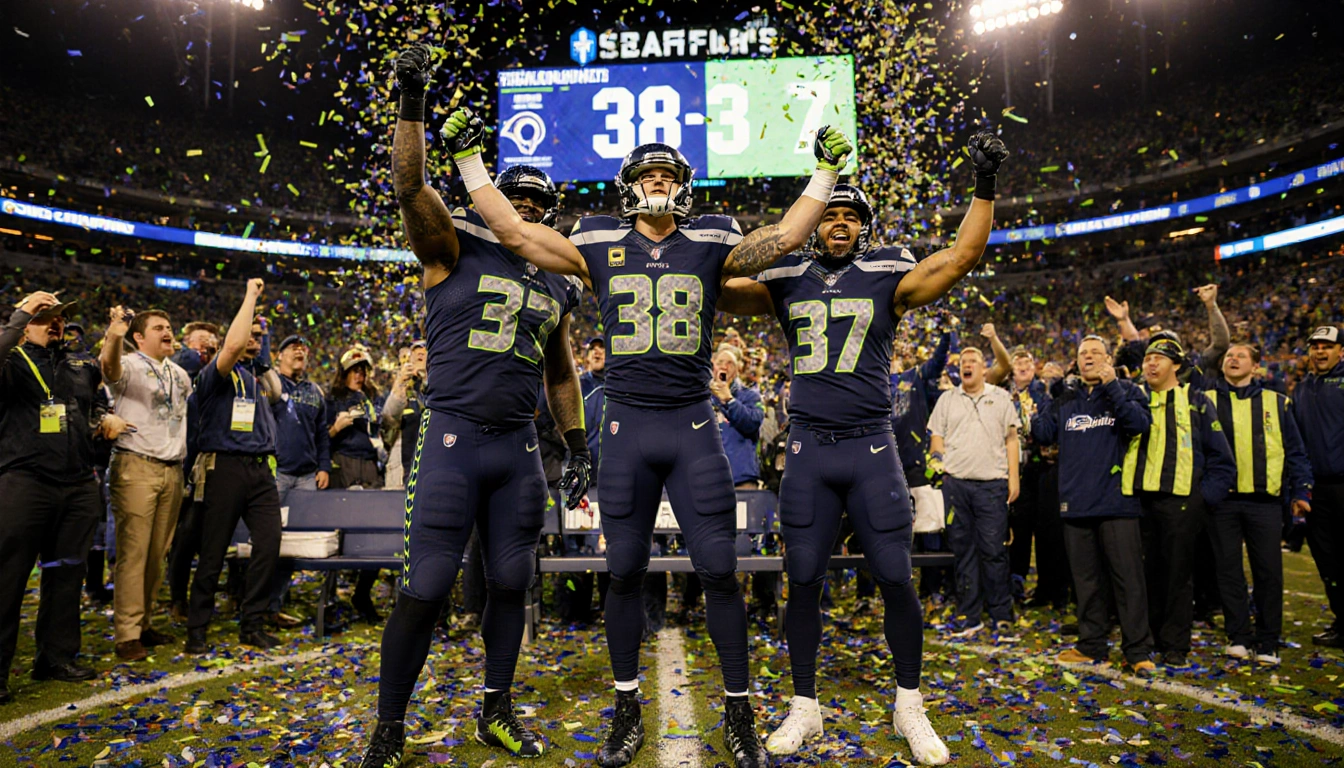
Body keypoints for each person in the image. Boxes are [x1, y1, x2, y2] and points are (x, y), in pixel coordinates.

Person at [443, 95, 854, 767]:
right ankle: (627, 710)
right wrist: (466, 162)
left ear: (684, 187)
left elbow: (782, 238)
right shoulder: (597, 238)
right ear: (630, 186)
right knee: (624, 572)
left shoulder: (714, 237)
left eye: (670, 174)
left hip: (692, 422)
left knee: (720, 571)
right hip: (627, 427)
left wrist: (824, 176)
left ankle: (740, 711)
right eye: (650, 173)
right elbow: (517, 235)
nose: (660, 181)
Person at [718, 131, 1006, 765]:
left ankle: (910, 704)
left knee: (897, 578)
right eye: (831, 214)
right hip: (810, 450)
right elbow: (721, 280)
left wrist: (983, 188)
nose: (840, 224)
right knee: (802, 580)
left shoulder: (888, 271)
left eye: (851, 216)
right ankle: (805, 707)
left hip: (872, 447)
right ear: (815, 221)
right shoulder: (787, 272)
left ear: (865, 228)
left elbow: (960, 257)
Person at [358, 44, 591, 766]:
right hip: (454, 434)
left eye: (533, 207)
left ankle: (496, 708)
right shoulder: (451, 246)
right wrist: (412, 103)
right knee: (426, 583)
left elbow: (560, 373)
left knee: (514, 583)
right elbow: (409, 183)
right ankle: (389, 726)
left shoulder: (557, 286)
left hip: (518, 444)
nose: (522, 214)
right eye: (515, 203)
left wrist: (578, 443)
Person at [0, 292, 108, 703]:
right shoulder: (12, 360)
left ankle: (55, 657)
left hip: (77, 484)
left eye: (60, 318)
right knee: (7, 578)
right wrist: (18, 317)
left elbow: (94, 401)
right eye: (45, 318)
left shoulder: (76, 364)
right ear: (25, 323)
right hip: (25, 481)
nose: (56, 323)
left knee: (66, 575)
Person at [1031, 336, 1157, 674]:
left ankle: (1137, 650)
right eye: (1082, 354)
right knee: (1085, 582)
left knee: (1128, 580)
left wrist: (1112, 384)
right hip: (1076, 501)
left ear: (1108, 358)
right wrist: (1046, 395)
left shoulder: (1128, 390)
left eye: (1095, 353)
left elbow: (1138, 425)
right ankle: (1091, 645)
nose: (1088, 358)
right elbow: (1043, 434)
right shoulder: (1067, 398)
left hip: (1118, 502)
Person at [184, 279, 284, 654]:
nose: (253, 341)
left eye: (257, 337)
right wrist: (251, 296)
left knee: (268, 543)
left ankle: (252, 622)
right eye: (250, 335)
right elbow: (231, 345)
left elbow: (267, 373)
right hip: (223, 467)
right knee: (213, 550)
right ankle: (197, 627)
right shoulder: (213, 375)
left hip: (261, 471)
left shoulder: (255, 379)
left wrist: (264, 341)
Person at [1123, 337, 1236, 668]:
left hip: (1181, 502)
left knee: (1176, 575)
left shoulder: (1197, 400)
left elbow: (1222, 459)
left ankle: (1174, 644)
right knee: (1144, 574)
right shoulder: (1135, 399)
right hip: (1139, 501)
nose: (1151, 364)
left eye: (1159, 358)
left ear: (1176, 365)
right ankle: (1144, 638)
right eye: (1147, 359)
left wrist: (1201, 499)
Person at [1203, 343, 1312, 663]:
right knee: (1228, 571)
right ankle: (1238, 636)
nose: (1233, 359)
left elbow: (1295, 452)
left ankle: (1267, 641)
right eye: (1228, 356)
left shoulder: (1277, 403)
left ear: (1256, 367)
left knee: (1268, 572)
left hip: (1265, 502)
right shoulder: (1204, 401)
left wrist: (1301, 492)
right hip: (1222, 502)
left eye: (1240, 356)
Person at [101, 306, 194, 661]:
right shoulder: (130, 364)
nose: (168, 331)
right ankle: (126, 633)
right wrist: (115, 333)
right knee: (134, 553)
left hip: (172, 469)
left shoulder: (181, 375)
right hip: (136, 465)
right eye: (159, 327)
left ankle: (144, 623)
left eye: (170, 326)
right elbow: (108, 369)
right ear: (139, 337)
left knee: (158, 553)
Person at [928, 344, 1021, 638]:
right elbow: (937, 437)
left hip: (992, 484)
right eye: (963, 361)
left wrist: (1014, 479)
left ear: (984, 369)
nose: (967, 365)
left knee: (994, 551)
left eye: (973, 361)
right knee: (963, 550)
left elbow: (1011, 439)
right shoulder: (947, 399)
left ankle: (1001, 614)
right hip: (956, 484)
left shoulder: (1001, 397)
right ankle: (970, 614)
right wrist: (938, 460)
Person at [266, 335, 331, 627]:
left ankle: (275, 603)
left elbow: (322, 434)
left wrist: (324, 466)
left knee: (295, 544)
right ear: (278, 355)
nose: (299, 351)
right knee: (267, 540)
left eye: (303, 348)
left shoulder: (314, 390)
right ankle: (254, 600)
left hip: (306, 476)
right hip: (276, 473)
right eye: (292, 347)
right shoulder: (270, 386)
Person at [1291, 325, 1344, 648]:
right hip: (1315, 489)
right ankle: (1342, 621)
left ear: (1341, 351)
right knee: (1327, 560)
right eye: (1315, 346)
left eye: (1327, 346)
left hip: (1342, 484)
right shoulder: (1301, 388)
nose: (1320, 352)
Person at [1005, 346, 1066, 609]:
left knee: (1045, 533)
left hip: (1039, 471)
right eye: (1017, 361)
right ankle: (1015, 586)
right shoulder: (1000, 393)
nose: (1023, 364)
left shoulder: (1044, 394)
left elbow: (1048, 432)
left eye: (1028, 361)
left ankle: (1047, 588)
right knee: (1016, 532)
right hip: (1008, 469)